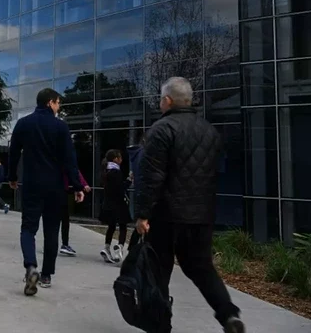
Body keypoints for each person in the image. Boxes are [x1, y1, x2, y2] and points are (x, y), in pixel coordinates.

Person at [135, 77, 245, 333]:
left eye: (161, 98)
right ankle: (228, 314)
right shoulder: (209, 130)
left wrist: (142, 214)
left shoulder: (161, 130)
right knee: (202, 267)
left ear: (168, 101)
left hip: (166, 215)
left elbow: (151, 177)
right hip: (201, 215)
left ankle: (160, 326)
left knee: (159, 270)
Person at [8, 88, 85, 294]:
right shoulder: (61, 127)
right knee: (52, 231)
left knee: (28, 229)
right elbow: (70, 160)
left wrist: (12, 177)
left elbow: (13, 152)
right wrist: (77, 186)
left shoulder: (23, 124)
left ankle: (30, 266)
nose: (59, 107)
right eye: (58, 103)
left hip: (32, 185)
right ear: (50, 103)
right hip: (55, 187)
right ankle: (46, 275)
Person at [98, 149, 132, 264]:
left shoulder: (105, 171)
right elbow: (120, 188)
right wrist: (129, 180)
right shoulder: (116, 172)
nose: (121, 160)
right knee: (123, 227)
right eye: (120, 157)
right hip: (118, 204)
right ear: (115, 159)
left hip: (108, 204)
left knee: (111, 227)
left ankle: (107, 247)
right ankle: (120, 246)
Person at [59, 170, 91, 257]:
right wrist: (81, 186)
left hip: (50, 188)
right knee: (64, 218)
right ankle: (64, 244)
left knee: (54, 217)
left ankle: (49, 243)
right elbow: (74, 170)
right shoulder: (65, 158)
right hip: (61, 189)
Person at [126, 138, 144, 250]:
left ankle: (132, 252)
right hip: (147, 194)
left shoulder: (137, 155)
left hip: (141, 193)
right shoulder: (145, 154)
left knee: (140, 226)